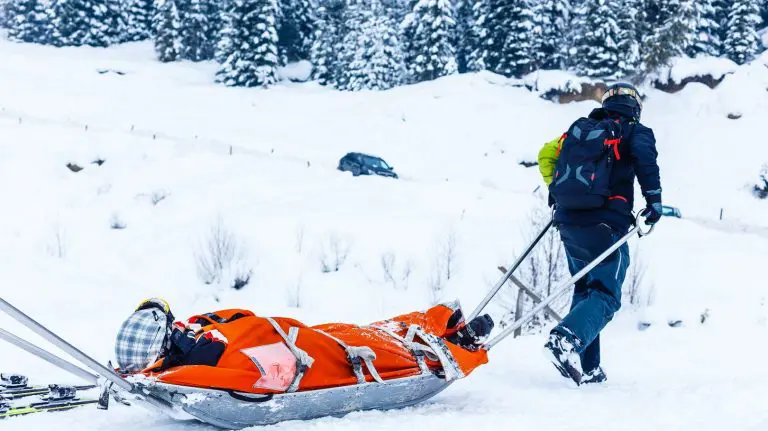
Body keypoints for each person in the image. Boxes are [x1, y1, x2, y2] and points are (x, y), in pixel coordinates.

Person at [537, 83, 662, 385]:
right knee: (606, 295)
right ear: (635, 107)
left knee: (586, 290)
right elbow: (646, 162)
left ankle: (590, 368)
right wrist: (654, 200)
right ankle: (565, 340)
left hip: (568, 220)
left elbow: (545, 154)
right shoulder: (635, 131)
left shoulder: (579, 131)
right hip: (607, 222)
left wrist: (557, 193)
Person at [115, 298, 494, 394]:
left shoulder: (203, 339)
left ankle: (454, 332)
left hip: (315, 341)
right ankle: (458, 334)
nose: (182, 327)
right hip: (317, 351)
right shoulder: (208, 359)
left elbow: (242, 318)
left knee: (384, 337)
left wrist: (150, 378)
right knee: (384, 343)